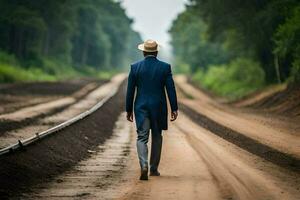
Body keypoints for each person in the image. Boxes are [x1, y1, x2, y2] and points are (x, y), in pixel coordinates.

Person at [126, 39, 178, 180]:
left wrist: (128, 109)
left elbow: (130, 91)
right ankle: (153, 169)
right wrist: (174, 108)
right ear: (156, 52)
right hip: (158, 107)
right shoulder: (165, 67)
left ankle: (144, 164)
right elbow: (170, 89)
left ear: (143, 52)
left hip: (141, 107)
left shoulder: (135, 67)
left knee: (142, 137)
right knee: (156, 136)